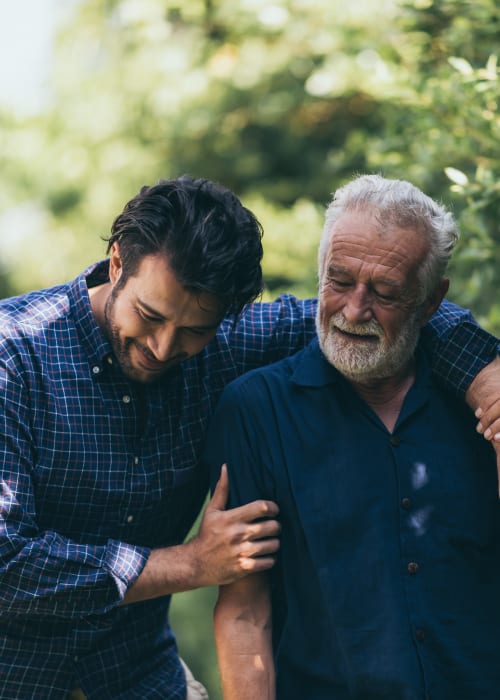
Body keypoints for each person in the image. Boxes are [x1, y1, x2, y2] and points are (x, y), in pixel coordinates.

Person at [0, 175, 497, 700]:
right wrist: (192, 563)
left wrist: (489, 383)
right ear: (117, 261)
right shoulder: (13, 356)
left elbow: (383, 318)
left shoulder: (227, 343)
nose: (165, 347)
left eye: (195, 329)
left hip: (135, 679)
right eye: (149, 315)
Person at [205, 174, 500, 700]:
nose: (354, 310)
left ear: (432, 303)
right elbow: (247, 611)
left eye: (385, 293)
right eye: (338, 281)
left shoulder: (481, 401)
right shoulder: (256, 409)